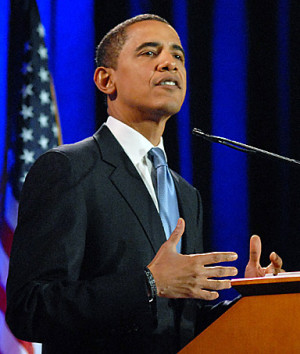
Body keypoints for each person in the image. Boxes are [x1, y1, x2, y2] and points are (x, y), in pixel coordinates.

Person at [6, 14, 283, 354]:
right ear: (106, 80)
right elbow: (29, 308)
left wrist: (252, 301)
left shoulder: (185, 194)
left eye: (178, 56)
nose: (169, 63)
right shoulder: (67, 169)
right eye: (150, 53)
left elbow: (180, 323)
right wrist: (148, 283)